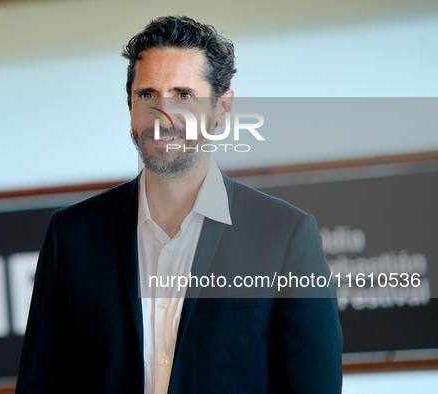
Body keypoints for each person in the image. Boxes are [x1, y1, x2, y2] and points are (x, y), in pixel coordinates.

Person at [17, 15, 343, 394]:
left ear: (221, 109)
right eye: (147, 95)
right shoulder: (71, 236)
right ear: (130, 108)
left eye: (184, 95)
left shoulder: (284, 236)